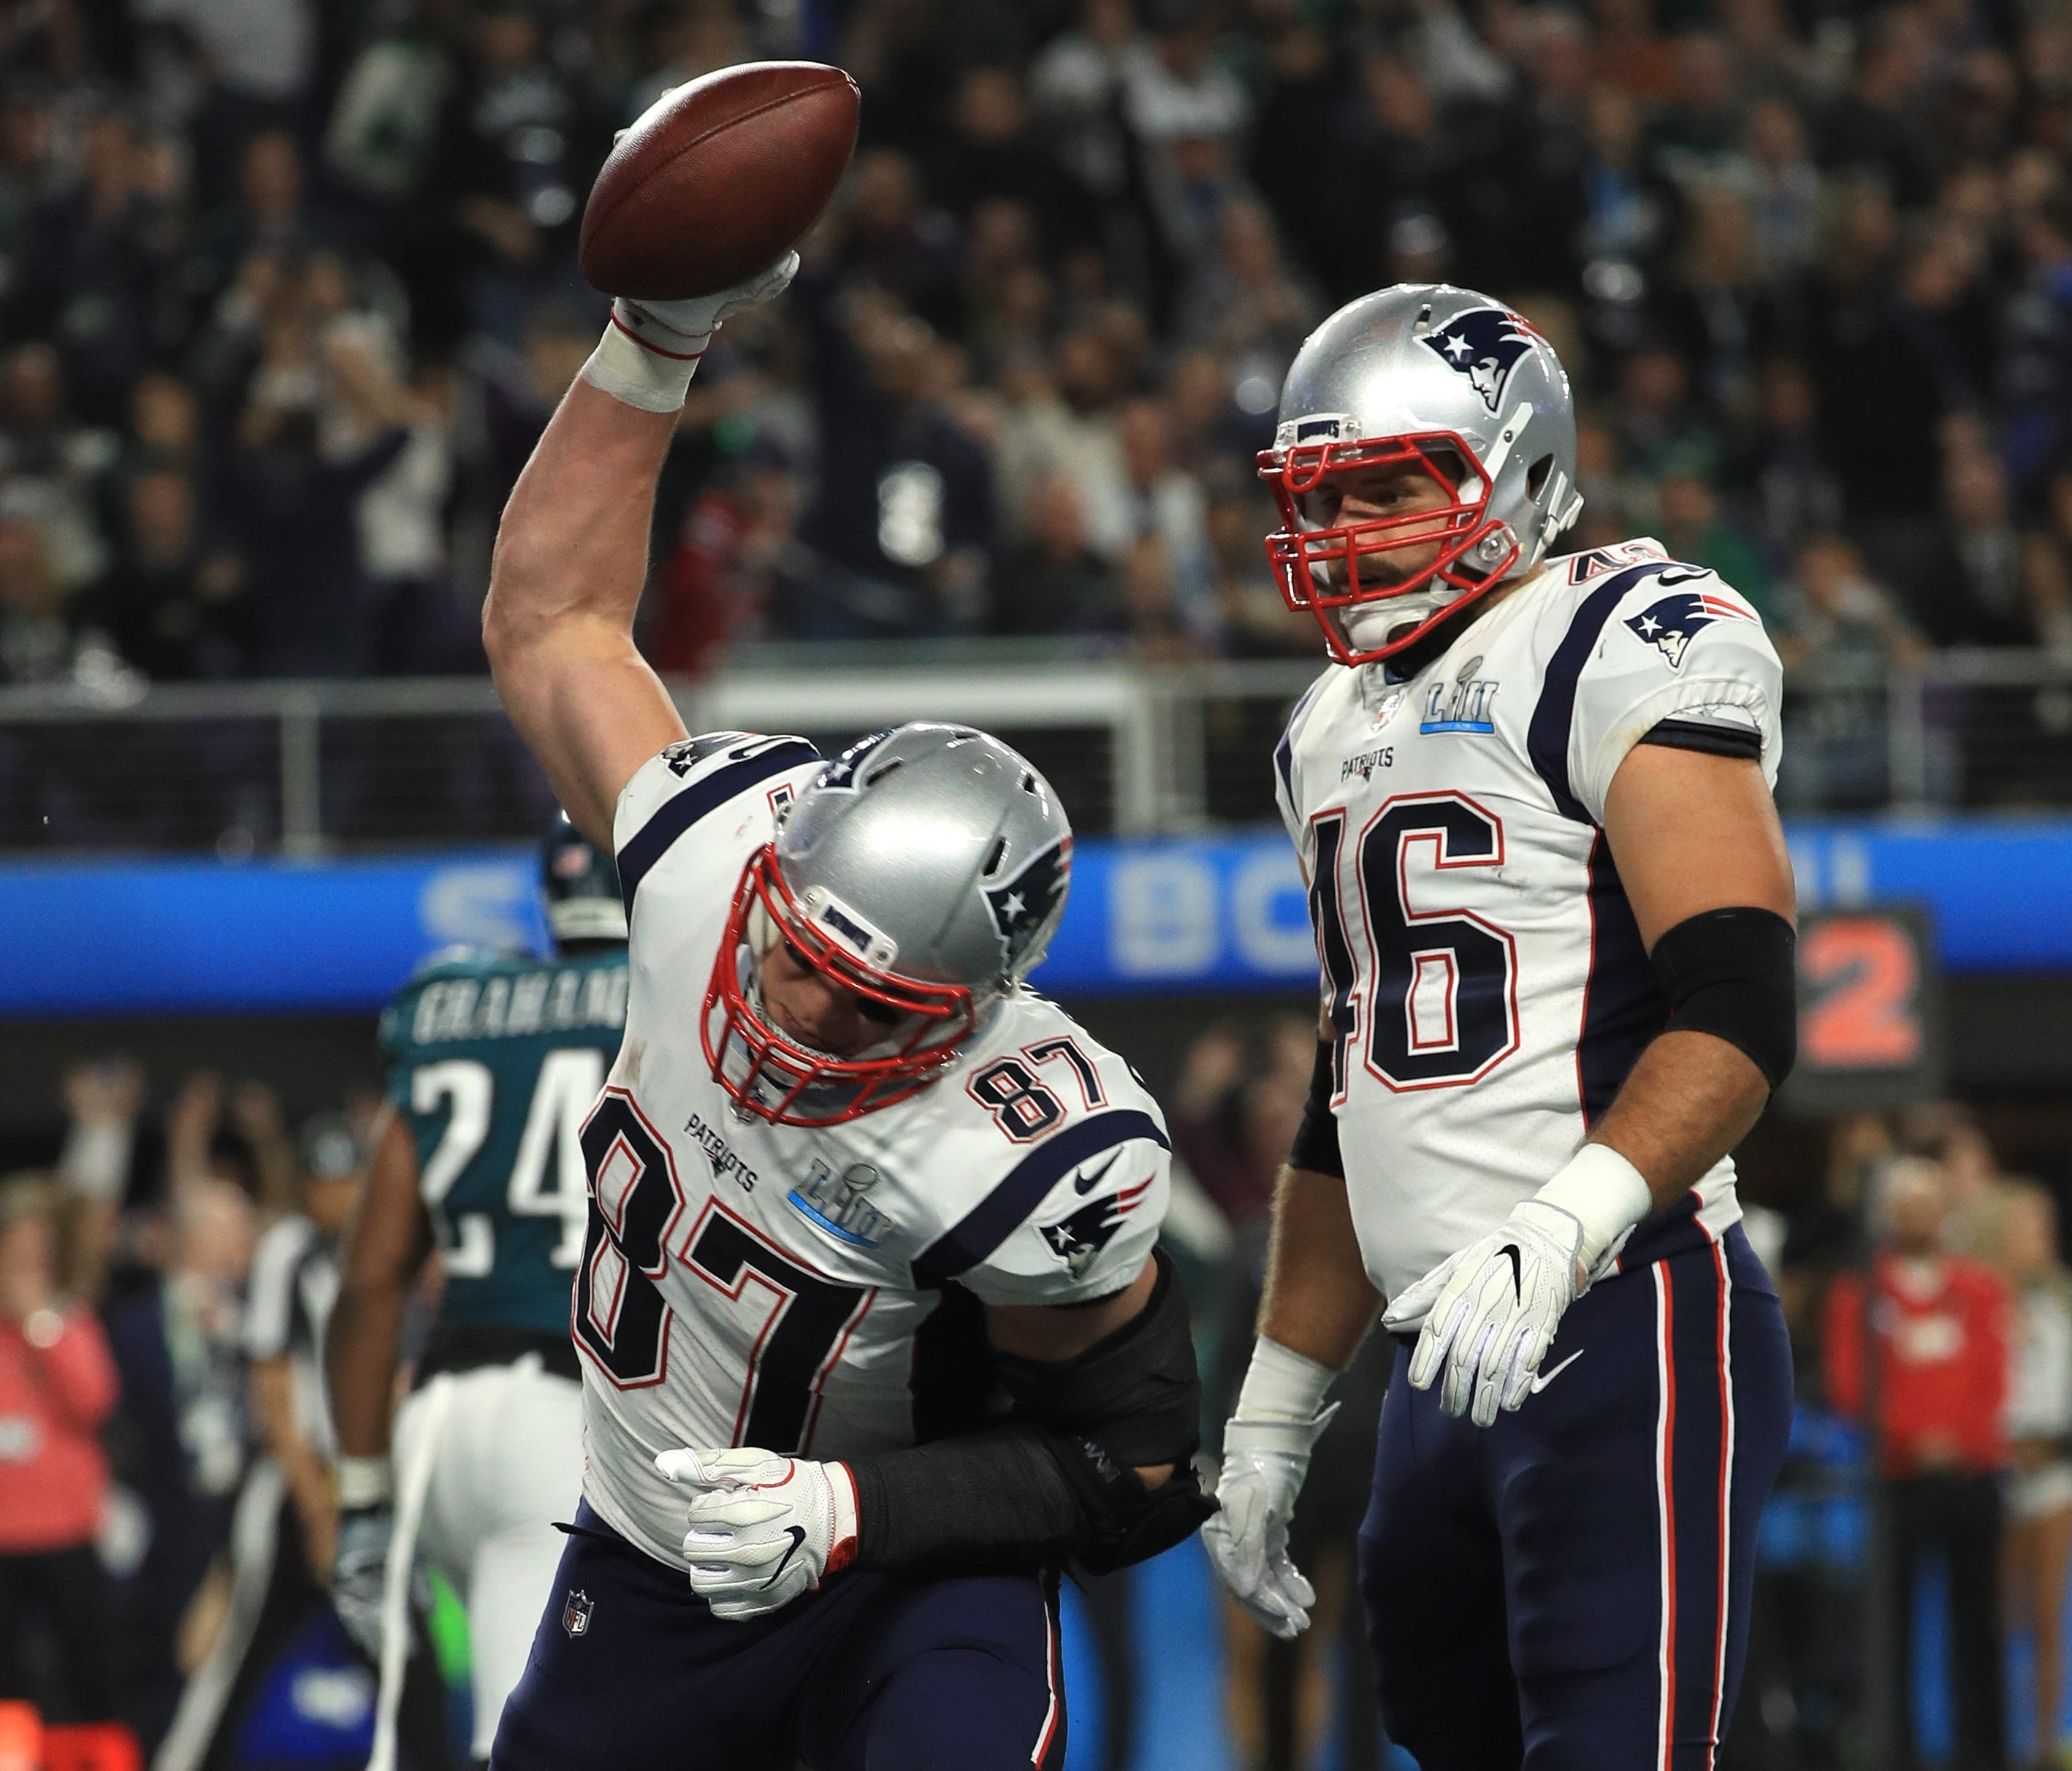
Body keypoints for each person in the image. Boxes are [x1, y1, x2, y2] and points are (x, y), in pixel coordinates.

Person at [476, 244, 1211, 1769]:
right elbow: (552, 623)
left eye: (874, 1007)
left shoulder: (1019, 1139)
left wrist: (852, 1512)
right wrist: (651, 338)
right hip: (643, 1553)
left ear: (971, 1012)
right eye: (801, 949)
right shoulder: (701, 853)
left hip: (905, 1584)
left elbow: (1136, 1466)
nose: (803, 1011)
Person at [1202, 286, 1798, 1768]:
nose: (1343, 527)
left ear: (1516, 471)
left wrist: (1565, 1223)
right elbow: (1356, 1088)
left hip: (1622, 1307)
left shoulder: (1621, 632)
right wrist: (1277, 1408)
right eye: (1318, 492)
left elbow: (1737, 1003)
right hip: (1430, 1358)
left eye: (1387, 486)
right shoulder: (1322, 728)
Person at [325, 812, 631, 1767]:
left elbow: (372, 1277)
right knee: (535, 1742)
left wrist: (364, 1497)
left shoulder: (454, 1002)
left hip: (440, 1426)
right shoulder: (676, 1009)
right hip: (564, 1426)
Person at [1825, 1157, 2011, 1771]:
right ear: (1887, 1215)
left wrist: (1955, 1441)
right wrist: (1911, 1440)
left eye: (1928, 1203)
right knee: (1891, 1626)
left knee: (1979, 1624)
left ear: (1945, 1211)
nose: (1918, 1216)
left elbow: (1993, 1378)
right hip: (1896, 1484)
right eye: (1905, 1206)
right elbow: (1851, 1385)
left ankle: (1984, 1753)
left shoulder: (1981, 1291)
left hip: (1971, 1477)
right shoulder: (1859, 1293)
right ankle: (1896, 1750)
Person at [0, 1178, 120, 1726]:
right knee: (10, 1682)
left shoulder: (68, 1324)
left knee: (90, 1670)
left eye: (34, 1256)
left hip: (66, 1532)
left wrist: (39, 1325)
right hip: (4, 1536)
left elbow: (93, 1402)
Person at [1995, 1181, 2072, 1771]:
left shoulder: (2063, 1303)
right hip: (1995, 1471)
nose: (2037, 1242)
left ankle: (2046, 1744)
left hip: (2054, 1478)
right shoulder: (1981, 1297)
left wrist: (2051, 1445)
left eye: (2043, 1230)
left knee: (2048, 1615)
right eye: (2028, 1230)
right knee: (2006, 1616)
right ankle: (2005, 1738)